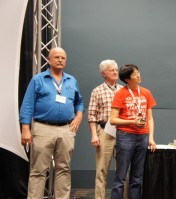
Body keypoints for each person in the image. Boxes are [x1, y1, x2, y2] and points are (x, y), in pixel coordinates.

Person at [20, 47, 84, 199]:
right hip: (43, 128)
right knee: (38, 170)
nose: (60, 60)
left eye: (63, 57)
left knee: (64, 169)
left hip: (66, 129)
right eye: (56, 57)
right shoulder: (38, 79)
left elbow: (79, 102)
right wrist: (25, 129)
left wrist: (79, 116)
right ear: (49, 60)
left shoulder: (71, 80)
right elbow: (27, 105)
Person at [110, 64, 157, 199]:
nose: (138, 75)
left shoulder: (146, 93)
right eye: (134, 74)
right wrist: (132, 122)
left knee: (137, 177)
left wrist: (151, 137)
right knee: (121, 177)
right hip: (125, 136)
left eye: (138, 72)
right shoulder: (120, 94)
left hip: (142, 137)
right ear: (127, 79)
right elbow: (113, 120)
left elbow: (150, 118)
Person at [88, 59, 128, 199]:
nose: (116, 72)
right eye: (112, 70)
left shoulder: (124, 90)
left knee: (122, 170)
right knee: (101, 170)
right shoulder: (97, 91)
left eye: (116, 69)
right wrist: (94, 135)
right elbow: (92, 115)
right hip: (104, 132)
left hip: (123, 133)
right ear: (103, 73)